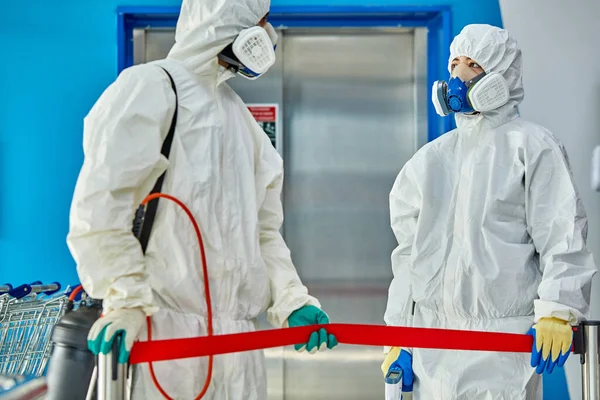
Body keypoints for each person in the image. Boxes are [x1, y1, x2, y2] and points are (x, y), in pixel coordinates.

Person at [66, 0, 337, 398]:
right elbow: (102, 204)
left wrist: (290, 298)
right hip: (163, 339)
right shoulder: (150, 88)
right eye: (260, 21)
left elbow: (263, 232)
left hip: (238, 347)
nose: (268, 34)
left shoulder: (241, 121)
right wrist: (125, 301)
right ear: (227, 21)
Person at [381, 24, 597, 399]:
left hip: (501, 347)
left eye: (474, 66)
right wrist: (399, 336)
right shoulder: (429, 161)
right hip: (431, 345)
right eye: (455, 64)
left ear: (503, 77)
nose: (457, 77)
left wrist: (559, 308)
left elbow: (562, 235)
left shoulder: (531, 147)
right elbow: (407, 260)